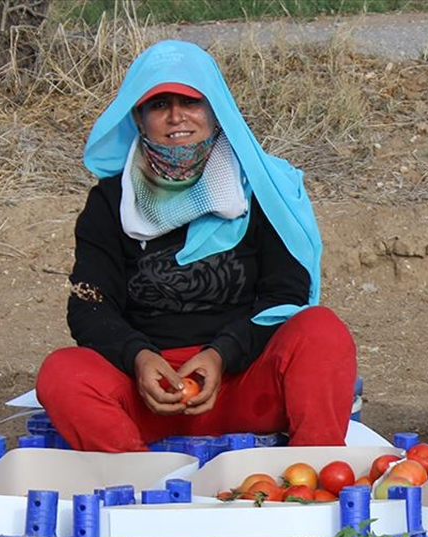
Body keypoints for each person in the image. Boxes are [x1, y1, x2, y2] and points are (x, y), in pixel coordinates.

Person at [35, 40, 356, 452]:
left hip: (243, 385)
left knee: (321, 331)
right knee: (62, 373)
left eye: (190, 102)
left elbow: (286, 294)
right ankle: (139, 475)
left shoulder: (259, 190)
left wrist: (221, 355)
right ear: (138, 118)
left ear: (215, 110)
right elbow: (89, 306)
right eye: (158, 105)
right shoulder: (112, 202)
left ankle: (310, 471)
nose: (176, 117)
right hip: (148, 395)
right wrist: (139, 358)